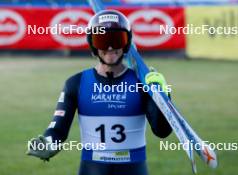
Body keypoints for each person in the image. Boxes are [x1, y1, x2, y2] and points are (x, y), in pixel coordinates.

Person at [27, 10, 172, 175]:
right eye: (102, 40)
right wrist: (47, 143)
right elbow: (57, 130)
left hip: (134, 169)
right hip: (92, 169)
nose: (110, 47)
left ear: (127, 43)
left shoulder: (141, 83)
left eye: (116, 40)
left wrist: (163, 95)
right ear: (92, 45)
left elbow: (162, 131)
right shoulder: (76, 83)